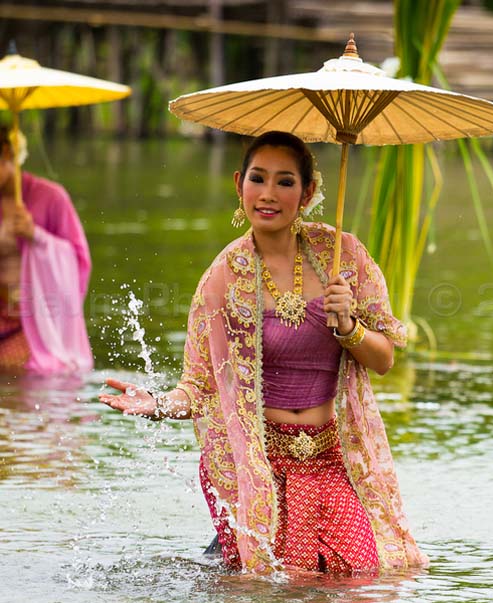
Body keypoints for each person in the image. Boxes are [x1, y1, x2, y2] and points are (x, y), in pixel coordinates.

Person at [99, 131, 426, 574]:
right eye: (258, 179)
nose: (268, 194)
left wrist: (348, 326)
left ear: (308, 192)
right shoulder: (223, 277)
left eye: (285, 182)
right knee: (282, 584)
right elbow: (198, 387)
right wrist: (157, 405)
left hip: (332, 456)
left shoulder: (343, 257)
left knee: (361, 578)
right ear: (239, 184)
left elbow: (384, 359)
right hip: (258, 463)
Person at [0, 126, 93, 374]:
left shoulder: (51, 198)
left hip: (37, 322)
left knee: (25, 376)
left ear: (7, 154)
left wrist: (36, 237)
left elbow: (79, 263)